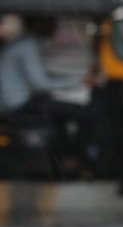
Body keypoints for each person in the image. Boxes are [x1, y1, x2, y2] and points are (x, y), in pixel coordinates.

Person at [0, 15, 93, 143]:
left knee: (60, 111)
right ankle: (74, 157)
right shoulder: (28, 46)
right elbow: (41, 84)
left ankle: (63, 154)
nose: (56, 28)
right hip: (17, 104)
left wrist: (73, 79)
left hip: (18, 100)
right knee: (86, 114)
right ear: (41, 25)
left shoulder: (27, 43)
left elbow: (41, 76)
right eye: (52, 23)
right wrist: (78, 81)